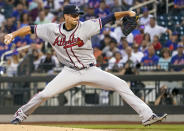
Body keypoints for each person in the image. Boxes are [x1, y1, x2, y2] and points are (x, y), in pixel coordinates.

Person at [4, 4, 167, 126]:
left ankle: (147, 116)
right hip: (69, 72)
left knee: (121, 84)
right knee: (45, 94)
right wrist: (13, 34)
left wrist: (128, 13)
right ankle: (19, 116)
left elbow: (110, 17)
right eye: (74, 15)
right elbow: (30, 29)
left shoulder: (87, 26)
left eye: (78, 15)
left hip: (90, 70)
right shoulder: (51, 29)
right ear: (65, 16)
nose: (77, 17)